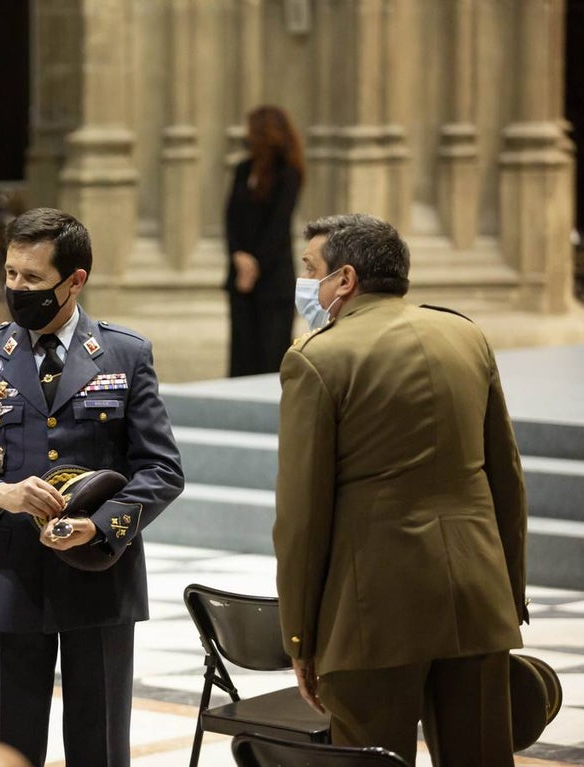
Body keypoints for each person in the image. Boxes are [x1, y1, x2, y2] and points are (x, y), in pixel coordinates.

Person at [0, 207, 185, 767]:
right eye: (11, 274)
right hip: (10, 578)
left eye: (33, 279)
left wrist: (100, 523)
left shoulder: (123, 354)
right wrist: (1, 494)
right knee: (10, 748)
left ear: (75, 280)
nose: (17, 289)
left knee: (100, 747)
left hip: (99, 576)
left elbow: (162, 469)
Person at [272, 213, 528, 766]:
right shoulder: (466, 335)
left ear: (344, 279)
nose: (305, 284)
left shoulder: (317, 358)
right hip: (479, 596)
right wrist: (510, 590)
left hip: (373, 612)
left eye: (310, 270)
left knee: (372, 758)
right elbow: (505, 477)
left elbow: (301, 518)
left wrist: (299, 637)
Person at [224, 105, 304, 376]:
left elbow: (278, 226)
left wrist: (255, 264)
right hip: (241, 277)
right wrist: (238, 256)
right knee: (242, 357)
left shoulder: (288, 174)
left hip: (273, 279)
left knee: (270, 357)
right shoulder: (243, 170)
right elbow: (230, 218)